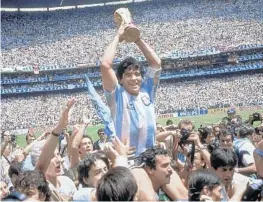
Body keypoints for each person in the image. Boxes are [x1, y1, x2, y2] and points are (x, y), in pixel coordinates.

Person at [100, 23, 161, 155]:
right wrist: (118, 36)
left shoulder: (147, 91)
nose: (134, 78)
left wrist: (137, 39)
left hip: (151, 158)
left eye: (137, 74)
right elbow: (105, 65)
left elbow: (156, 63)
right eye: (128, 75)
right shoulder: (117, 95)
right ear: (120, 79)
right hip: (129, 160)